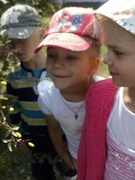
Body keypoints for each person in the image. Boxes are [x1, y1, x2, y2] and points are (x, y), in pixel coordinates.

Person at [34, 6, 103, 178]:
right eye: (52, 55)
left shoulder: (108, 95)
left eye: (71, 57)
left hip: (106, 162)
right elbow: (54, 129)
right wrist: (63, 154)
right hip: (75, 157)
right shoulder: (47, 96)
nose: (58, 64)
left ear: (93, 66)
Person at [77, 0, 135, 179]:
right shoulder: (99, 97)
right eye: (107, 49)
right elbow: (87, 155)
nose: (106, 59)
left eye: (118, 52)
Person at [0, 4, 59, 180]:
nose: (17, 48)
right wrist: (20, 134)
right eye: (11, 42)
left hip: (61, 134)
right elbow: (14, 106)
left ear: (41, 34)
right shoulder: (14, 77)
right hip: (33, 136)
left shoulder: (58, 70)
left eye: (22, 39)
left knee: (70, 168)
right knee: (41, 172)